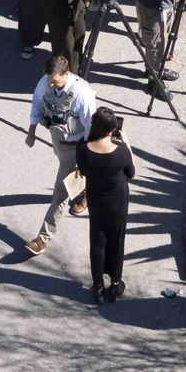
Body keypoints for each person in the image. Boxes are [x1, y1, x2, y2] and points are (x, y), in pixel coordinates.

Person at [23, 53, 96, 255]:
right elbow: (37, 105)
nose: (51, 85)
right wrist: (31, 132)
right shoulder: (45, 82)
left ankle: (43, 239)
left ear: (66, 74)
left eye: (55, 82)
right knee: (77, 176)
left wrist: (85, 156)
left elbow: (90, 126)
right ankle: (87, 192)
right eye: (49, 80)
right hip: (59, 142)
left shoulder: (82, 94)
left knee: (60, 194)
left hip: (77, 145)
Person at [76, 106, 135, 302]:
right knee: (116, 240)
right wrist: (127, 144)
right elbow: (131, 173)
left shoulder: (83, 149)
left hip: (96, 199)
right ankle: (115, 284)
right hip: (117, 200)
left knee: (97, 240)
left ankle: (98, 286)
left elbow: (83, 171)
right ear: (111, 130)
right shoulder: (120, 152)